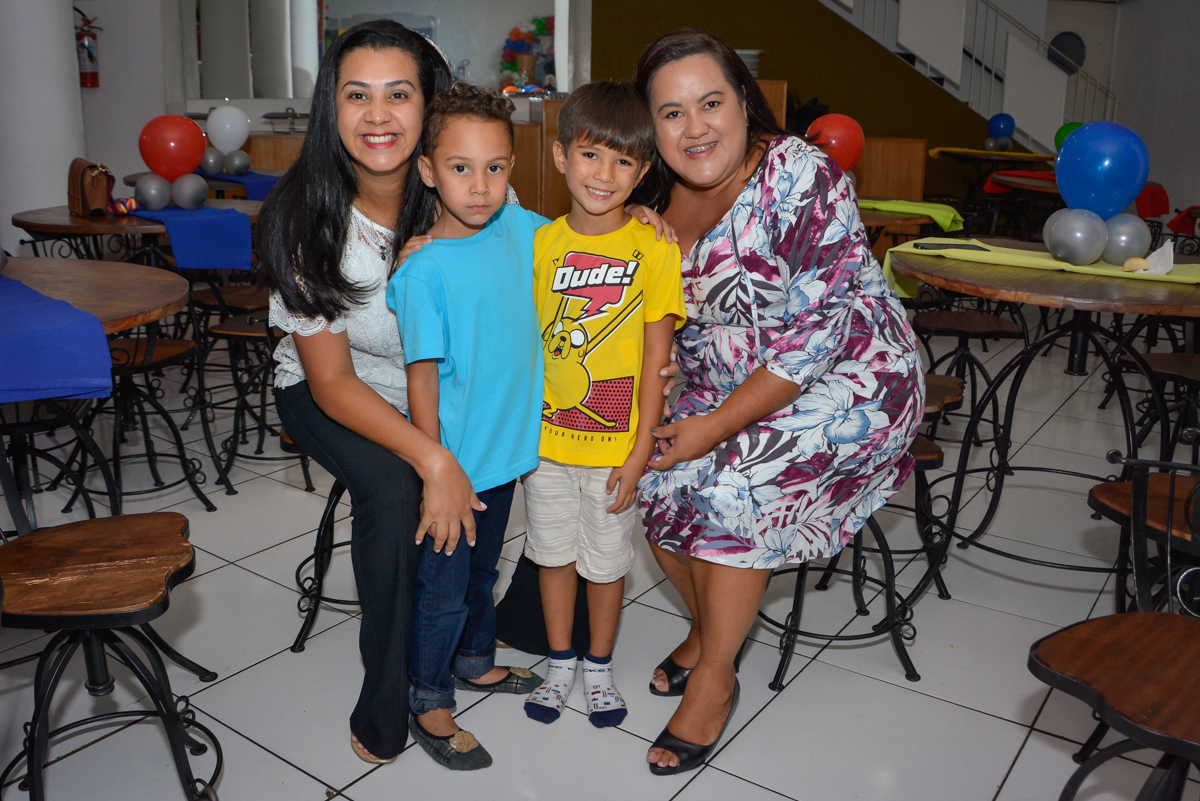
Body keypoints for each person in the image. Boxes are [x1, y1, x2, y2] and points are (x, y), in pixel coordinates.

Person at [630, 29, 925, 774]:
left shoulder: (799, 173)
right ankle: (708, 628)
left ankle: (715, 677)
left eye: (710, 103)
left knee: (734, 484)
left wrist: (712, 430)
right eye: (671, 112)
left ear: (742, 103)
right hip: (724, 376)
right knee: (651, 471)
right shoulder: (649, 194)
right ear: (650, 125)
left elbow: (815, 339)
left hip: (853, 372)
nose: (694, 127)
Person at [260, 20, 468, 765]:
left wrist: (633, 220)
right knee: (390, 484)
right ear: (331, 107)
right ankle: (386, 696)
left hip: (430, 386)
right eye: (358, 95)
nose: (378, 115)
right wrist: (434, 460)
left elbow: (547, 246)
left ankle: (481, 635)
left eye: (399, 94)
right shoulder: (303, 217)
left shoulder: (456, 188)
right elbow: (335, 381)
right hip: (327, 390)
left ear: (428, 107)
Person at [387, 82, 548, 771]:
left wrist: (640, 216)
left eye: (495, 167)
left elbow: (594, 238)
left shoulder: (523, 229)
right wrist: (435, 468)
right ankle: (428, 695)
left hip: (508, 451)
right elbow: (421, 375)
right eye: (460, 167)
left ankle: (476, 662)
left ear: (513, 167)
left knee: (486, 571)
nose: (479, 186)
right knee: (444, 589)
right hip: (455, 464)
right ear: (428, 170)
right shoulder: (425, 270)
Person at [521, 82, 685, 728]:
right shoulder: (536, 244)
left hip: (617, 445)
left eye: (624, 162)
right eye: (591, 155)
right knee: (553, 554)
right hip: (545, 445)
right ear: (561, 157)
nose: (605, 174)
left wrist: (643, 444)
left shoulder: (655, 246)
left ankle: (597, 665)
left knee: (607, 563)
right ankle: (559, 661)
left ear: (644, 172)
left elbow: (656, 357)